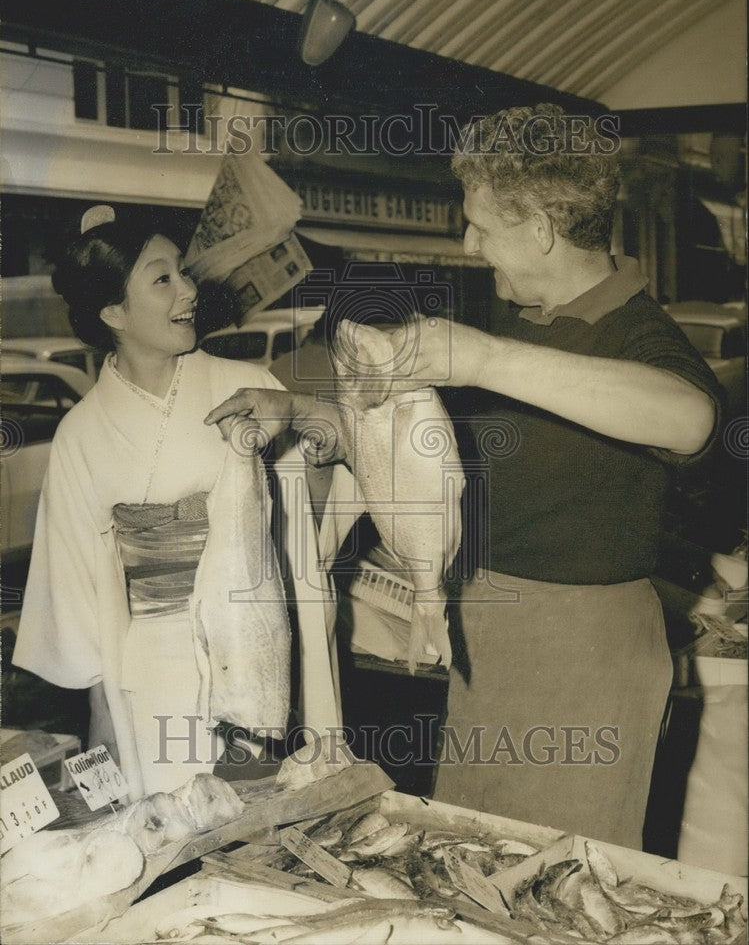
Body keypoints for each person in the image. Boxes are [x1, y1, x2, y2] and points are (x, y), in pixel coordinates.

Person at [207, 103, 722, 849]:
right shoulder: (523, 317)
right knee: (474, 858)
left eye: (480, 225)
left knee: (558, 881)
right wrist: (292, 411)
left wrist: (482, 359)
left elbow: (688, 419)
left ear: (540, 228)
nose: (468, 243)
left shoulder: (636, 333)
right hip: (488, 634)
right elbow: (415, 461)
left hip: (581, 656)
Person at [12, 211, 335, 800]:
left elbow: (304, 536)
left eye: (182, 274)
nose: (188, 290)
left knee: (257, 824)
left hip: (251, 650)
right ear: (114, 313)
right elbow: (77, 589)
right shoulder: (81, 435)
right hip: (148, 669)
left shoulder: (247, 385)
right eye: (162, 280)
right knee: (169, 836)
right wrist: (102, 714)